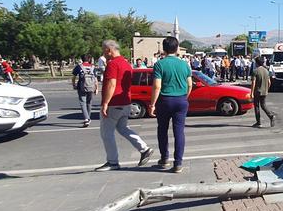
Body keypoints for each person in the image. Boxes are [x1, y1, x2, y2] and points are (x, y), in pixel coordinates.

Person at [96, 40, 154, 171]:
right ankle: (144, 148)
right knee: (123, 128)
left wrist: (105, 103)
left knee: (107, 133)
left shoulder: (113, 64)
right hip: (126, 101)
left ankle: (112, 162)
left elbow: (111, 84)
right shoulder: (127, 64)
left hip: (114, 103)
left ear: (108, 50)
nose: (103, 53)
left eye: (103, 50)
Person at [149, 37, 193, 173]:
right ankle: (178, 163)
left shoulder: (160, 64)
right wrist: (184, 97)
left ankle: (164, 159)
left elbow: (157, 86)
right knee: (179, 132)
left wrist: (152, 104)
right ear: (177, 48)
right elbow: (190, 84)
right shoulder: (185, 64)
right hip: (181, 100)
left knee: (162, 130)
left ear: (164, 49)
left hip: (165, 100)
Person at [72, 55, 99, 127]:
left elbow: (73, 77)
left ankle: (86, 119)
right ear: (89, 59)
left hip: (81, 87)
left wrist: (74, 85)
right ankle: (88, 118)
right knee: (89, 103)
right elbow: (95, 79)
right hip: (91, 87)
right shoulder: (93, 67)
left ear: (82, 59)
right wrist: (97, 88)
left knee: (82, 103)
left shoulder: (79, 67)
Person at [250, 56, 275, 128]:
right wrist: (266, 89)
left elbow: (253, 83)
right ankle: (271, 116)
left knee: (257, 106)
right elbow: (269, 82)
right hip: (264, 91)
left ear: (257, 63)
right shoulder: (266, 71)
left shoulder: (255, 71)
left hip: (257, 91)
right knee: (263, 105)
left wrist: (251, 93)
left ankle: (258, 122)